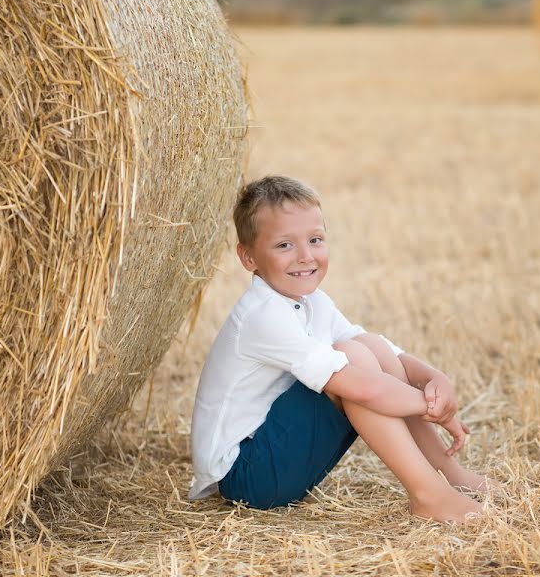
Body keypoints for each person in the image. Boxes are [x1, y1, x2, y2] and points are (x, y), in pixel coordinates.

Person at [189, 175, 486, 523]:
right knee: (354, 360)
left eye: (315, 240)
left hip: (275, 458)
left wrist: (435, 379)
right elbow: (361, 387)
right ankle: (428, 496)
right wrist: (434, 407)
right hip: (246, 477)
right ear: (249, 257)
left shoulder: (311, 300)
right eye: (284, 245)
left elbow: (381, 348)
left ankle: (449, 475)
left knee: (366, 345)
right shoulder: (262, 316)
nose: (305, 256)